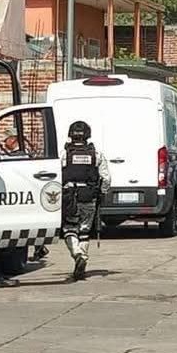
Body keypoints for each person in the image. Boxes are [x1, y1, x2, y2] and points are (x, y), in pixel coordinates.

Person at [60, 120, 110, 281]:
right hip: (89, 196)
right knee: (84, 230)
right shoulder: (96, 154)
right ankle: (83, 257)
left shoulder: (63, 154)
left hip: (69, 196)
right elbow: (106, 178)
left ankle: (77, 254)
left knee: (69, 228)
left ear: (70, 134)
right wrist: (102, 193)